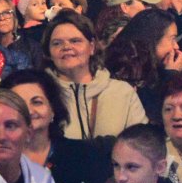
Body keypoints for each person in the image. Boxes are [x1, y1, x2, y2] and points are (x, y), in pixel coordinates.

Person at [44, 10, 147, 139]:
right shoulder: (41, 95)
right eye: (57, 43)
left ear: (92, 47)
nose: (66, 47)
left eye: (75, 41)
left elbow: (142, 145)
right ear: (48, 52)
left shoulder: (122, 92)